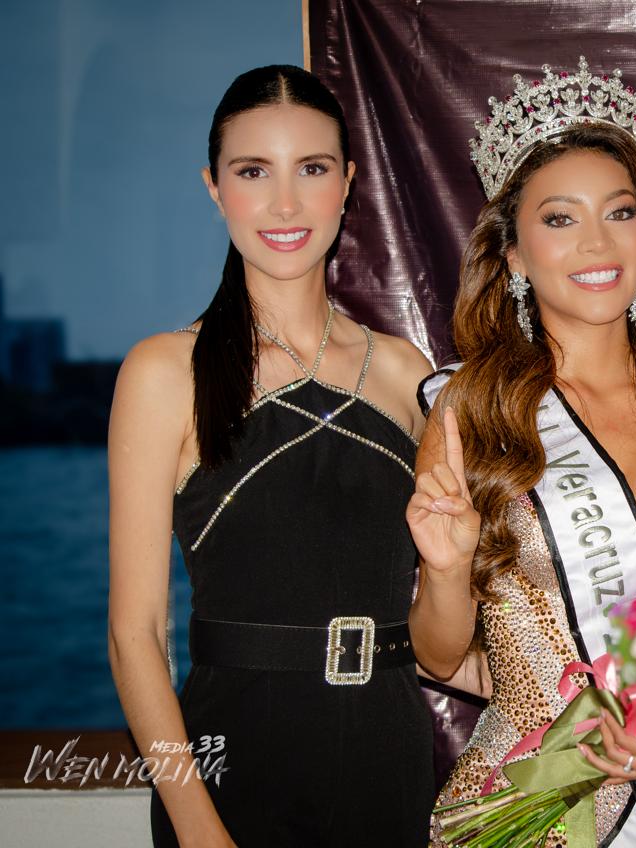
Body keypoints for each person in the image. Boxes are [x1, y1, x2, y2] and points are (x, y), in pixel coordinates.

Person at [405, 58, 636, 846]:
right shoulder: (472, 409)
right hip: (523, 805)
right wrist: (446, 568)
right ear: (513, 255)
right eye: (559, 219)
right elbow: (438, 657)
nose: (596, 243)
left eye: (619, 212)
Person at [107, 65, 435, 846]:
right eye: (254, 171)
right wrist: (198, 829)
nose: (285, 204)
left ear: (347, 183)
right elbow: (135, 635)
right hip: (233, 781)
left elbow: (442, 617)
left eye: (311, 169)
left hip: (391, 769)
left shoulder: (405, 373)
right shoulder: (164, 372)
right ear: (214, 187)